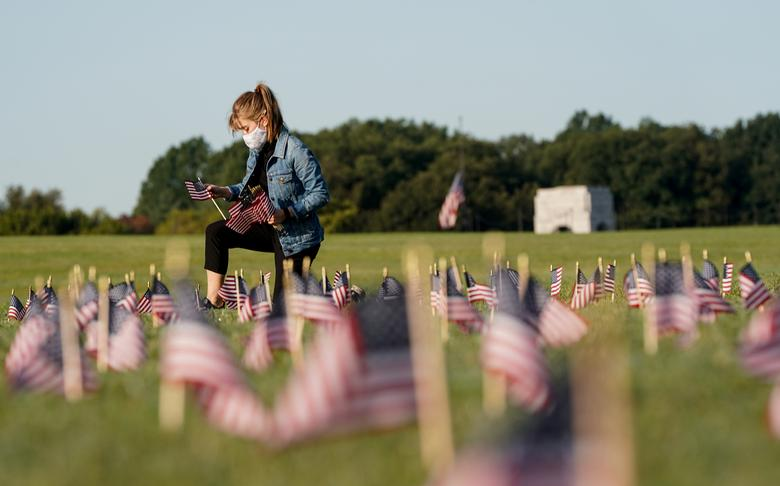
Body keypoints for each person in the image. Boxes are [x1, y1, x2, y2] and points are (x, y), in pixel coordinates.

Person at [201, 83, 329, 308]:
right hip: (267, 229)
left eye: (246, 129)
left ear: (264, 120)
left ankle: (343, 299)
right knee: (215, 232)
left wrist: (287, 212)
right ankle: (213, 301)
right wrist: (225, 191)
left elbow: (320, 193)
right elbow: (248, 186)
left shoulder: (296, 150)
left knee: (283, 307)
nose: (244, 136)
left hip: (297, 239)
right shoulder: (257, 151)